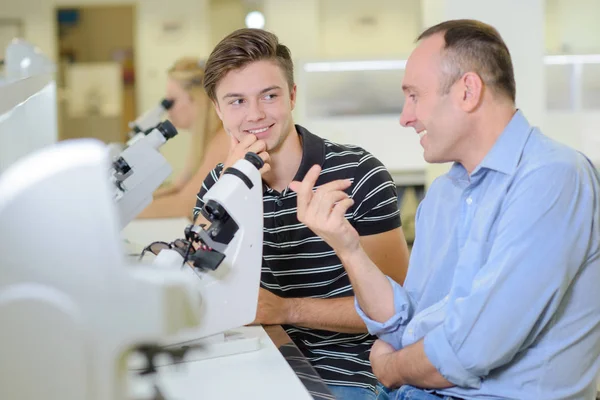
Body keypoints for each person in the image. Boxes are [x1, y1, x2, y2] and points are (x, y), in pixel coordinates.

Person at [291, 19, 600, 400]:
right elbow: (405, 323)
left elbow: (472, 348)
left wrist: (391, 367)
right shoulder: (442, 196)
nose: (405, 117)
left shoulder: (552, 177)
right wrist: (346, 246)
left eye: (414, 96)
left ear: (468, 91)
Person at [193, 28, 410, 399]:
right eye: (237, 102)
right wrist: (231, 187)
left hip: (346, 370)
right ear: (218, 110)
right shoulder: (220, 184)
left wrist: (285, 310)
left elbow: (398, 311)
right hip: (252, 359)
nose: (255, 114)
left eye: (269, 96)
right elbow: (198, 279)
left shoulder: (359, 172)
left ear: (292, 95)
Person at [137, 57, 229, 219]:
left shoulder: (224, 139)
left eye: (171, 101)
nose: (168, 111)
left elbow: (187, 204)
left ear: (196, 98)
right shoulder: (207, 140)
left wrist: (112, 214)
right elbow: (178, 188)